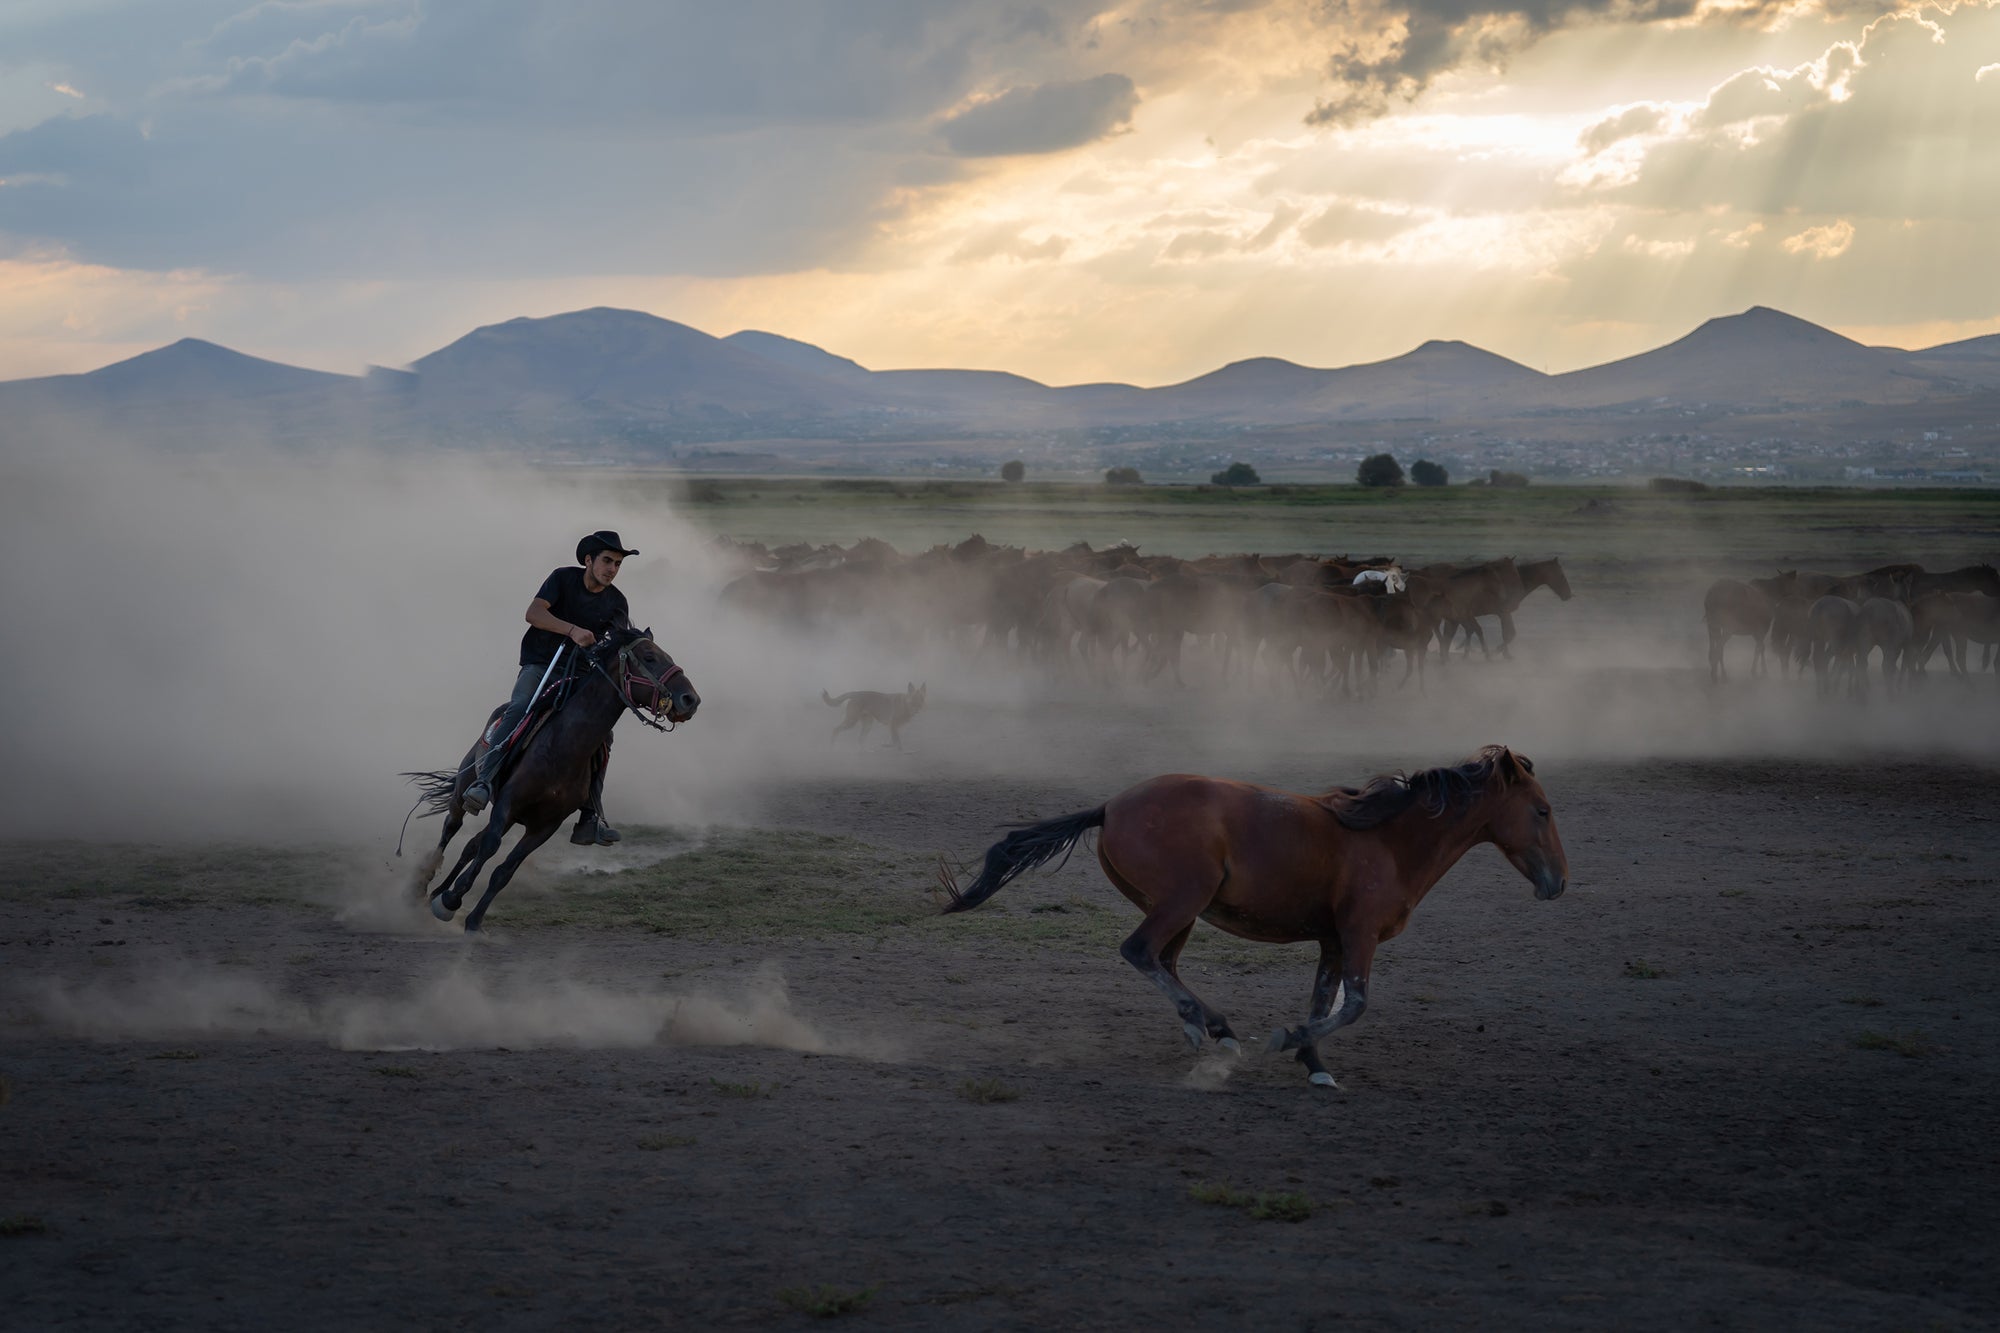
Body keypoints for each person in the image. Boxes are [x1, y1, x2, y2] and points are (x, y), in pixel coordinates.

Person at [462, 530, 636, 845]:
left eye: (618, 564)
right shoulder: (562, 579)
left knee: (602, 735)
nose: (612, 568)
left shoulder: (617, 602)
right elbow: (534, 613)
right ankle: (483, 782)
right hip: (541, 663)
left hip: (580, 673)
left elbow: (616, 642)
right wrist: (571, 630)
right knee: (521, 707)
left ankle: (589, 818)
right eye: (607, 561)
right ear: (588, 560)